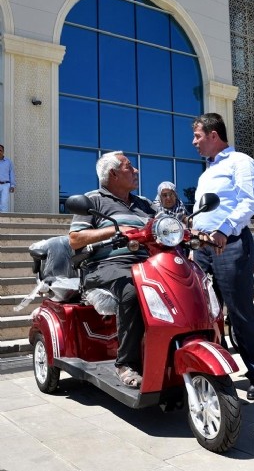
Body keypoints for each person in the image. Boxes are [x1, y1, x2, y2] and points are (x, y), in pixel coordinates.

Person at [191, 112, 254, 400]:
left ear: (213, 135)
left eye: (198, 136)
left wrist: (223, 230)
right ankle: (213, 370)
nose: (194, 142)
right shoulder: (207, 172)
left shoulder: (241, 163)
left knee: (239, 313)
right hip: (203, 249)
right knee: (204, 313)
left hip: (230, 244)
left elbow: (249, 203)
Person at [69, 151, 155, 388]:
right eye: (130, 167)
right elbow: (75, 239)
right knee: (133, 290)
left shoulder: (144, 204)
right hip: (105, 266)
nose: (136, 171)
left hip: (148, 263)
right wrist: (114, 231)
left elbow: (165, 227)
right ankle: (125, 364)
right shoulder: (92, 200)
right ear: (113, 173)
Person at [0, 144, 16, 212]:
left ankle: (3, 220)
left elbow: (11, 174)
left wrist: (12, 185)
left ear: (3, 152)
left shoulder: (8, 162)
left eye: (0, 150)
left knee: (4, 202)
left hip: (6, 185)